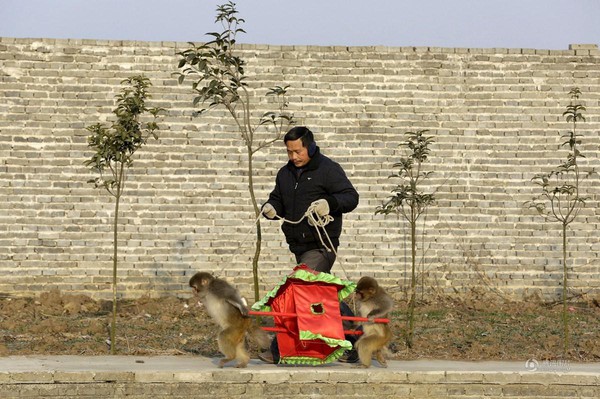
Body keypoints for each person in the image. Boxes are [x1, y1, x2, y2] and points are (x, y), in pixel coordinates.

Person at [259, 126, 360, 363]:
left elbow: (351, 197)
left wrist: (329, 203)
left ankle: (279, 350)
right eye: (289, 152)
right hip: (299, 246)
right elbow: (278, 199)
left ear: (310, 147)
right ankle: (358, 338)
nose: (293, 157)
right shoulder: (285, 174)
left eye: (297, 151)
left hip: (322, 245)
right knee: (322, 296)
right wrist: (270, 207)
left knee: (296, 290)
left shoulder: (328, 170)